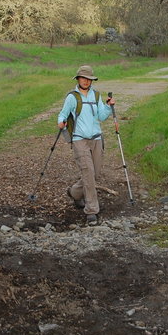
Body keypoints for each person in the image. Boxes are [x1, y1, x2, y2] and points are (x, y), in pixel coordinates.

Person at [57, 65, 114, 224]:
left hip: (96, 138)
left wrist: (108, 107)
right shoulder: (72, 97)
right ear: (78, 79)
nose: (86, 81)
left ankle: (75, 193)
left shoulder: (96, 95)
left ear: (91, 80)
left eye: (89, 79)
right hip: (79, 139)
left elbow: (102, 117)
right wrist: (60, 122)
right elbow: (63, 114)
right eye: (83, 78)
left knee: (94, 174)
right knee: (88, 172)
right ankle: (91, 211)